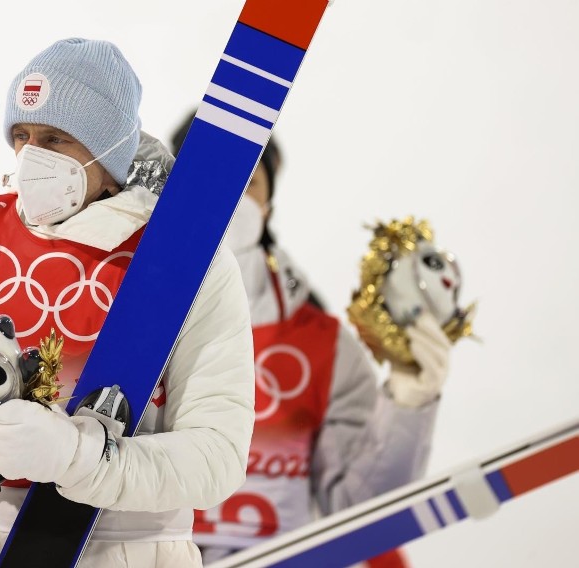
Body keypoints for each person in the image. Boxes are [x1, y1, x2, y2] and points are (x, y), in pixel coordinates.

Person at [0, 39, 256, 568]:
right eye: (21, 135)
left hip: (135, 551)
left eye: (55, 139)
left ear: (106, 152)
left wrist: (78, 456)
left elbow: (217, 457)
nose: (31, 156)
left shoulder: (187, 259)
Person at [170, 115, 452, 567]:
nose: (230, 196)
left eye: (249, 182)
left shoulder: (324, 348)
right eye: (212, 177)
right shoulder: (119, 319)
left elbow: (358, 511)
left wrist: (408, 401)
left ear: (269, 209)